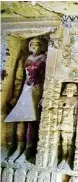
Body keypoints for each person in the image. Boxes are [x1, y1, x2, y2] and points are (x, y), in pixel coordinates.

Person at [4, 37, 47, 165]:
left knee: (32, 121)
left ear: (42, 46)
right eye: (32, 44)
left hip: (38, 90)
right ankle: (18, 147)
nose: (35, 46)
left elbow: (47, 77)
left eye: (37, 44)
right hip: (26, 89)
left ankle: (28, 149)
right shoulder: (25, 58)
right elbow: (19, 77)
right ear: (29, 46)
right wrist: (15, 95)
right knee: (20, 120)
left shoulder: (45, 58)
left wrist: (45, 95)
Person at [57, 83, 78, 170]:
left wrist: (74, 124)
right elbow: (59, 113)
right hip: (63, 122)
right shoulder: (62, 99)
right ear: (65, 90)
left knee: (70, 141)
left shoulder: (75, 100)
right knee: (63, 141)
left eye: (71, 90)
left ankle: (69, 158)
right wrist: (58, 123)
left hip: (70, 123)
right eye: (68, 89)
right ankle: (63, 157)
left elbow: (75, 114)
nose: (69, 91)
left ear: (74, 91)